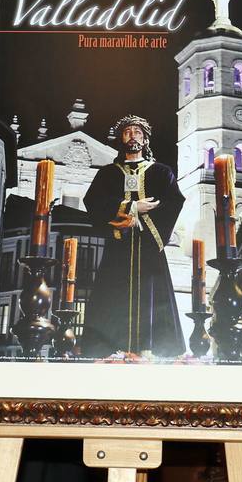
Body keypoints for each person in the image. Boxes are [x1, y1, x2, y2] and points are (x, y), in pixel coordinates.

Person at [80, 114, 187, 358]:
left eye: (138, 132)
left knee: (151, 295)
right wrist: (131, 208)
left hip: (149, 249)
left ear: (146, 139)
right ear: (121, 139)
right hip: (118, 247)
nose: (132, 136)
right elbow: (93, 201)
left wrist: (146, 223)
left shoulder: (161, 172)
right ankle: (112, 350)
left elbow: (173, 201)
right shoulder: (107, 174)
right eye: (127, 132)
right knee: (113, 294)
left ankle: (150, 349)